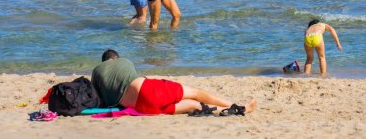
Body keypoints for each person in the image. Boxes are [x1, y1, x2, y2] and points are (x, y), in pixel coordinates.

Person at [91, 49, 256, 115]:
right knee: (197, 94)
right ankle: (238, 105)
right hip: (150, 91)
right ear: (115, 59)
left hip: (144, 108)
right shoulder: (124, 61)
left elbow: (99, 98)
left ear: (103, 61)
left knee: (195, 106)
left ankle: (235, 111)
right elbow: (140, 81)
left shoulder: (96, 72)